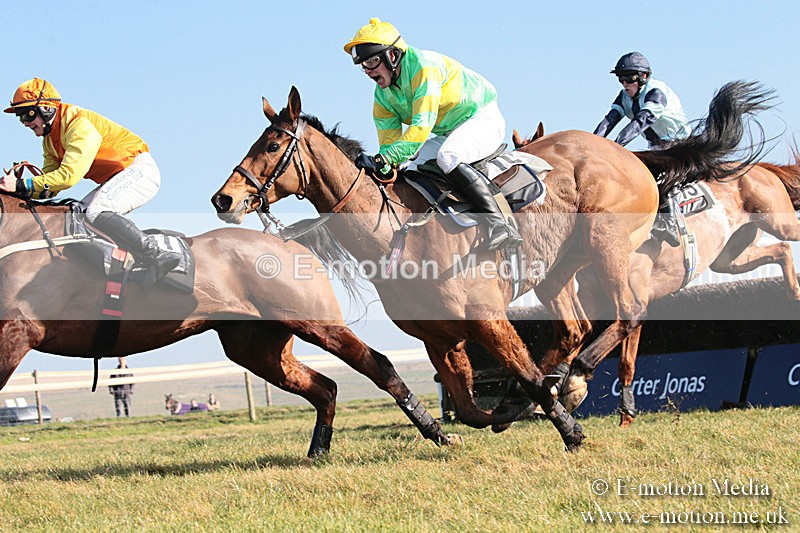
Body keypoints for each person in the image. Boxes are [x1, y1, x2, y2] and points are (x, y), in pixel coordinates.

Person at [344, 18, 522, 250]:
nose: (368, 71)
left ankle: (500, 225)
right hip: (450, 131)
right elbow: (390, 145)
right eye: (363, 65)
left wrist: (385, 159)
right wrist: (383, 165)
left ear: (393, 56)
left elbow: (421, 127)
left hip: (482, 118)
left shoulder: (423, 68)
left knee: (448, 157)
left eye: (372, 61)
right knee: (408, 168)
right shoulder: (382, 96)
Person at [0, 78, 181, 287]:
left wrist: (20, 185)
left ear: (46, 109)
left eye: (28, 114)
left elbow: (68, 176)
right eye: (20, 117)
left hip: (138, 170)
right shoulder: (49, 141)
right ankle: (116, 268)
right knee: (76, 217)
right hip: (116, 178)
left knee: (96, 211)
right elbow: (50, 186)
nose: (25, 122)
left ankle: (156, 255)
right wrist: (17, 190)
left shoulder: (78, 125)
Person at [593, 52, 691, 246]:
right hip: (657, 147)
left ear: (643, 77)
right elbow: (610, 120)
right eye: (621, 79)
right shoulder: (625, 96)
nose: (624, 84)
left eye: (629, 79)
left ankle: (670, 224)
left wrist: (614, 147)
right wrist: (593, 143)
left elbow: (640, 123)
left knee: (660, 178)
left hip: (679, 146)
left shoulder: (656, 92)